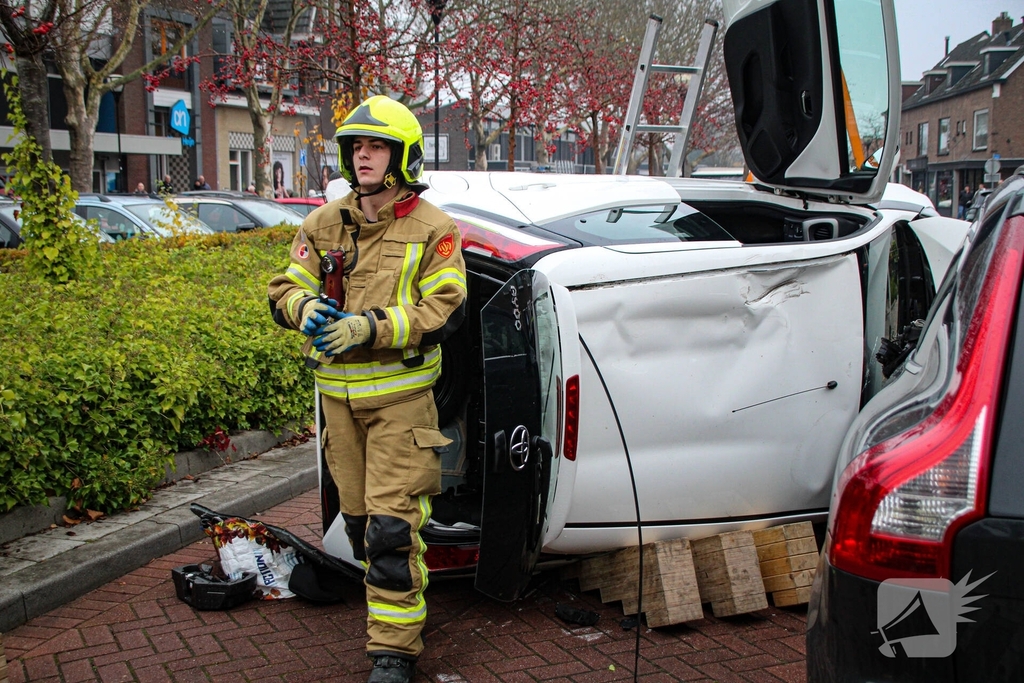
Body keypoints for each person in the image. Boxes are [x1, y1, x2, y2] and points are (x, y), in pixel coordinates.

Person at [267, 95, 466, 683]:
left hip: (401, 406)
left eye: (376, 146)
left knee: (391, 530)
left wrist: (370, 327)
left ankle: (394, 653)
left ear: (403, 155)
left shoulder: (435, 228)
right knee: (356, 526)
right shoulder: (323, 222)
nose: (364, 156)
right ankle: (395, 609)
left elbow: (446, 309)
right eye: (356, 146)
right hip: (339, 407)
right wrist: (301, 307)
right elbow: (285, 285)